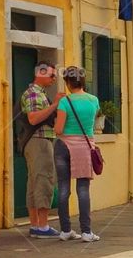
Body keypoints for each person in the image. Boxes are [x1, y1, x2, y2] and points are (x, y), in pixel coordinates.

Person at [53, 66, 100, 242]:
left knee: (64, 188)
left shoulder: (65, 102)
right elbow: (92, 124)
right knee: (83, 189)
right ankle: (86, 232)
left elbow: (58, 129)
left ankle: (65, 230)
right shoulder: (93, 100)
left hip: (63, 145)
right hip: (84, 147)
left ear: (67, 82)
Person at [20, 62, 65, 238]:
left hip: (36, 141)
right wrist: (55, 105)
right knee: (44, 180)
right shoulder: (33, 93)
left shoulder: (39, 94)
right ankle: (43, 226)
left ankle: (35, 225)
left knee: (33, 183)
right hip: (39, 140)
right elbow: (33, 119)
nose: (54, 79)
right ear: (41, 73)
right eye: (52, 75)